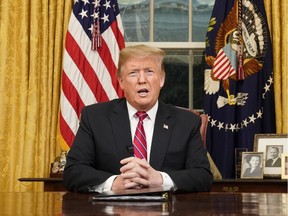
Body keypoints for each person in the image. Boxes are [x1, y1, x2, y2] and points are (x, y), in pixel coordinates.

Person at [63, 44, 213, 193]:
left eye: (149, 72)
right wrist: (114, 183)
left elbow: (203, 176)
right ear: (121, 81)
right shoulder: (95, 118)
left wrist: (160, 180)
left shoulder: (186, 122)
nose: (142, 80)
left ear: (161, 79)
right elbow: (73, 172)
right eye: (133, 73)